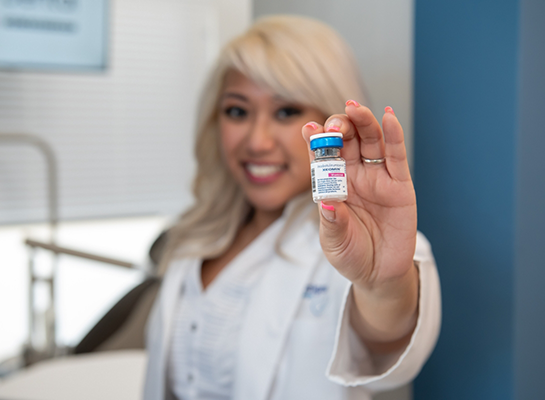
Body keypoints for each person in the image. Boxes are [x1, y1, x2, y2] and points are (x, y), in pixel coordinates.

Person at [143, 14, 441, 400]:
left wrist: (382, 285)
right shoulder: (195, 235)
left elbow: (385, 344)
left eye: (286, 112)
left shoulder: (363, 244)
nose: (257, 141)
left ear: (329, 124)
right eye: (237, 111)